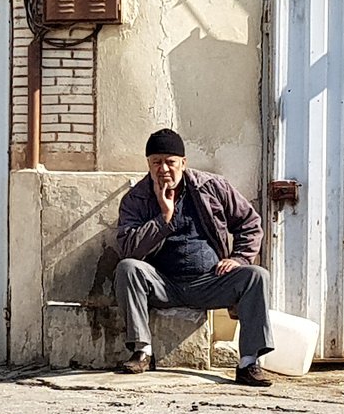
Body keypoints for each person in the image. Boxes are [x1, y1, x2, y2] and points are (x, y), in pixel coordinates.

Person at [114, 128, 274, 387]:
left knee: (256, 276)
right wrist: (163, 218)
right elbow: (128, 248)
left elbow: (249, 223)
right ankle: (142, 351)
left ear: (183, 163)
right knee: (128, 268)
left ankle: (248, 362)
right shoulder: (137, 198)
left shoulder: (212, 187)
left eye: (170, 162)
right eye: (156, 162)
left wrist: (240, 258)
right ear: (148, 164)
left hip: (210, 281)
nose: (163, 169)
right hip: (164, 284)